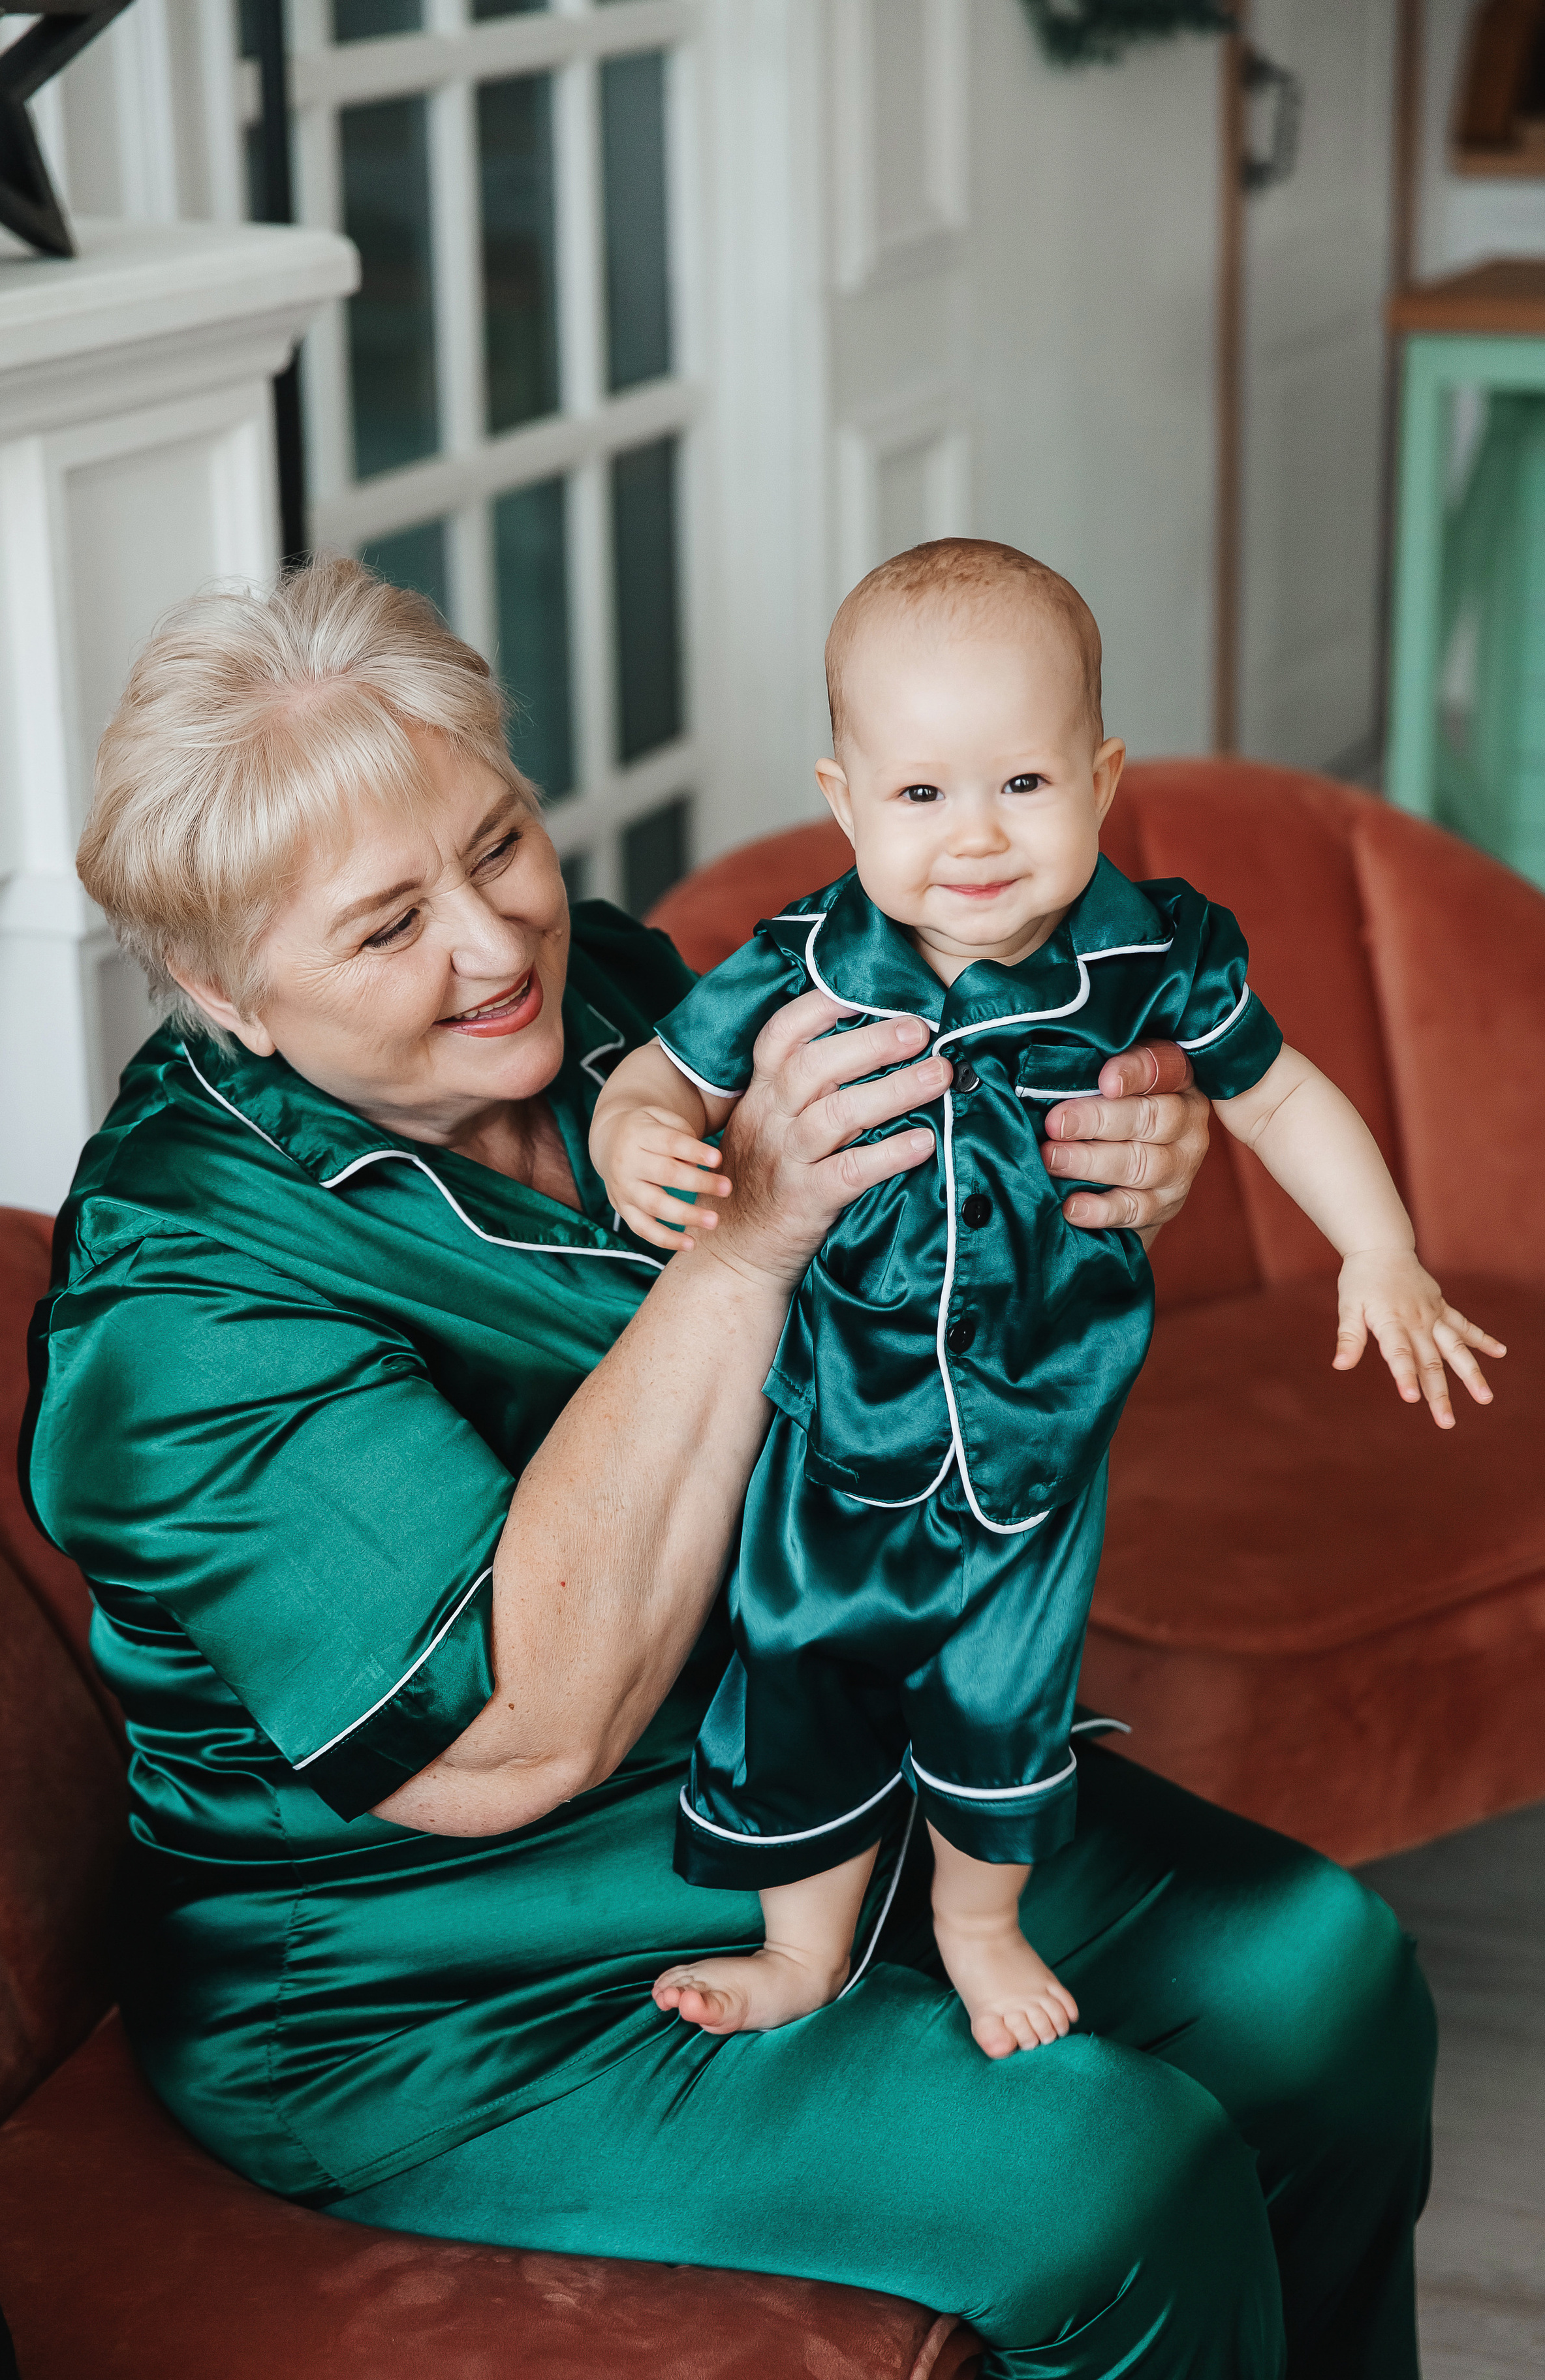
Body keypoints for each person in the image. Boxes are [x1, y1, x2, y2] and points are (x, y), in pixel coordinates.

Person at [21, 554, 1454, 2380]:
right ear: (216, 988)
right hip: (438, 1975)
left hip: (808, 1764)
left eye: (497, 842)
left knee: (1324, 1975)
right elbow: (519, 1738)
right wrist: (752, 1247)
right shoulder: (182, 1303)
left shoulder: (608, 989)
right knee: (1111, 2174)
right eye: (386, 926)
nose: (493, 945)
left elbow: (961, 1221)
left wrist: (1131, 1150)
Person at [589, 539, 1504, 2060]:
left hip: (1033, 1439)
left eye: (1021, 785)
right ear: (843, 803)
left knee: (1001, 1694)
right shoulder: (803, 959)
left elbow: (1276, 1100)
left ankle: (976, 1924)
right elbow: (660, 1076)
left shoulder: (1150, 956)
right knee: (799, 1669)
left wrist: (1378, 1247)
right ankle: (798, 1946)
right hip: (830, 1439)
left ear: (1099, 775)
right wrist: (638, 1141)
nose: (975, 839)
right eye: (920, 794)